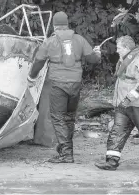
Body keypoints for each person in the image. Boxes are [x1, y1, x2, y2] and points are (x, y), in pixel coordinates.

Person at [27, 11, 101, 163]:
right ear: (67, 24)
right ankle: (65, 150)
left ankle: (66, 154)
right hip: (75, 84)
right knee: (68, 117)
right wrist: (98, 54)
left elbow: (39, 61)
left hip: (58, 84)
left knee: (58, 117)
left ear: (54, 26)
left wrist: (31, 77)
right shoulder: (79, 39)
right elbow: (93, 59)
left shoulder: (50, 42)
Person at [95, 35, 139, 171]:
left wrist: (128, 98)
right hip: (124, 105)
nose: (117, 51)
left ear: (127, 48)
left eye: (119, 48)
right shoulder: (125, 60)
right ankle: (111, 162)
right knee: (117, 131)